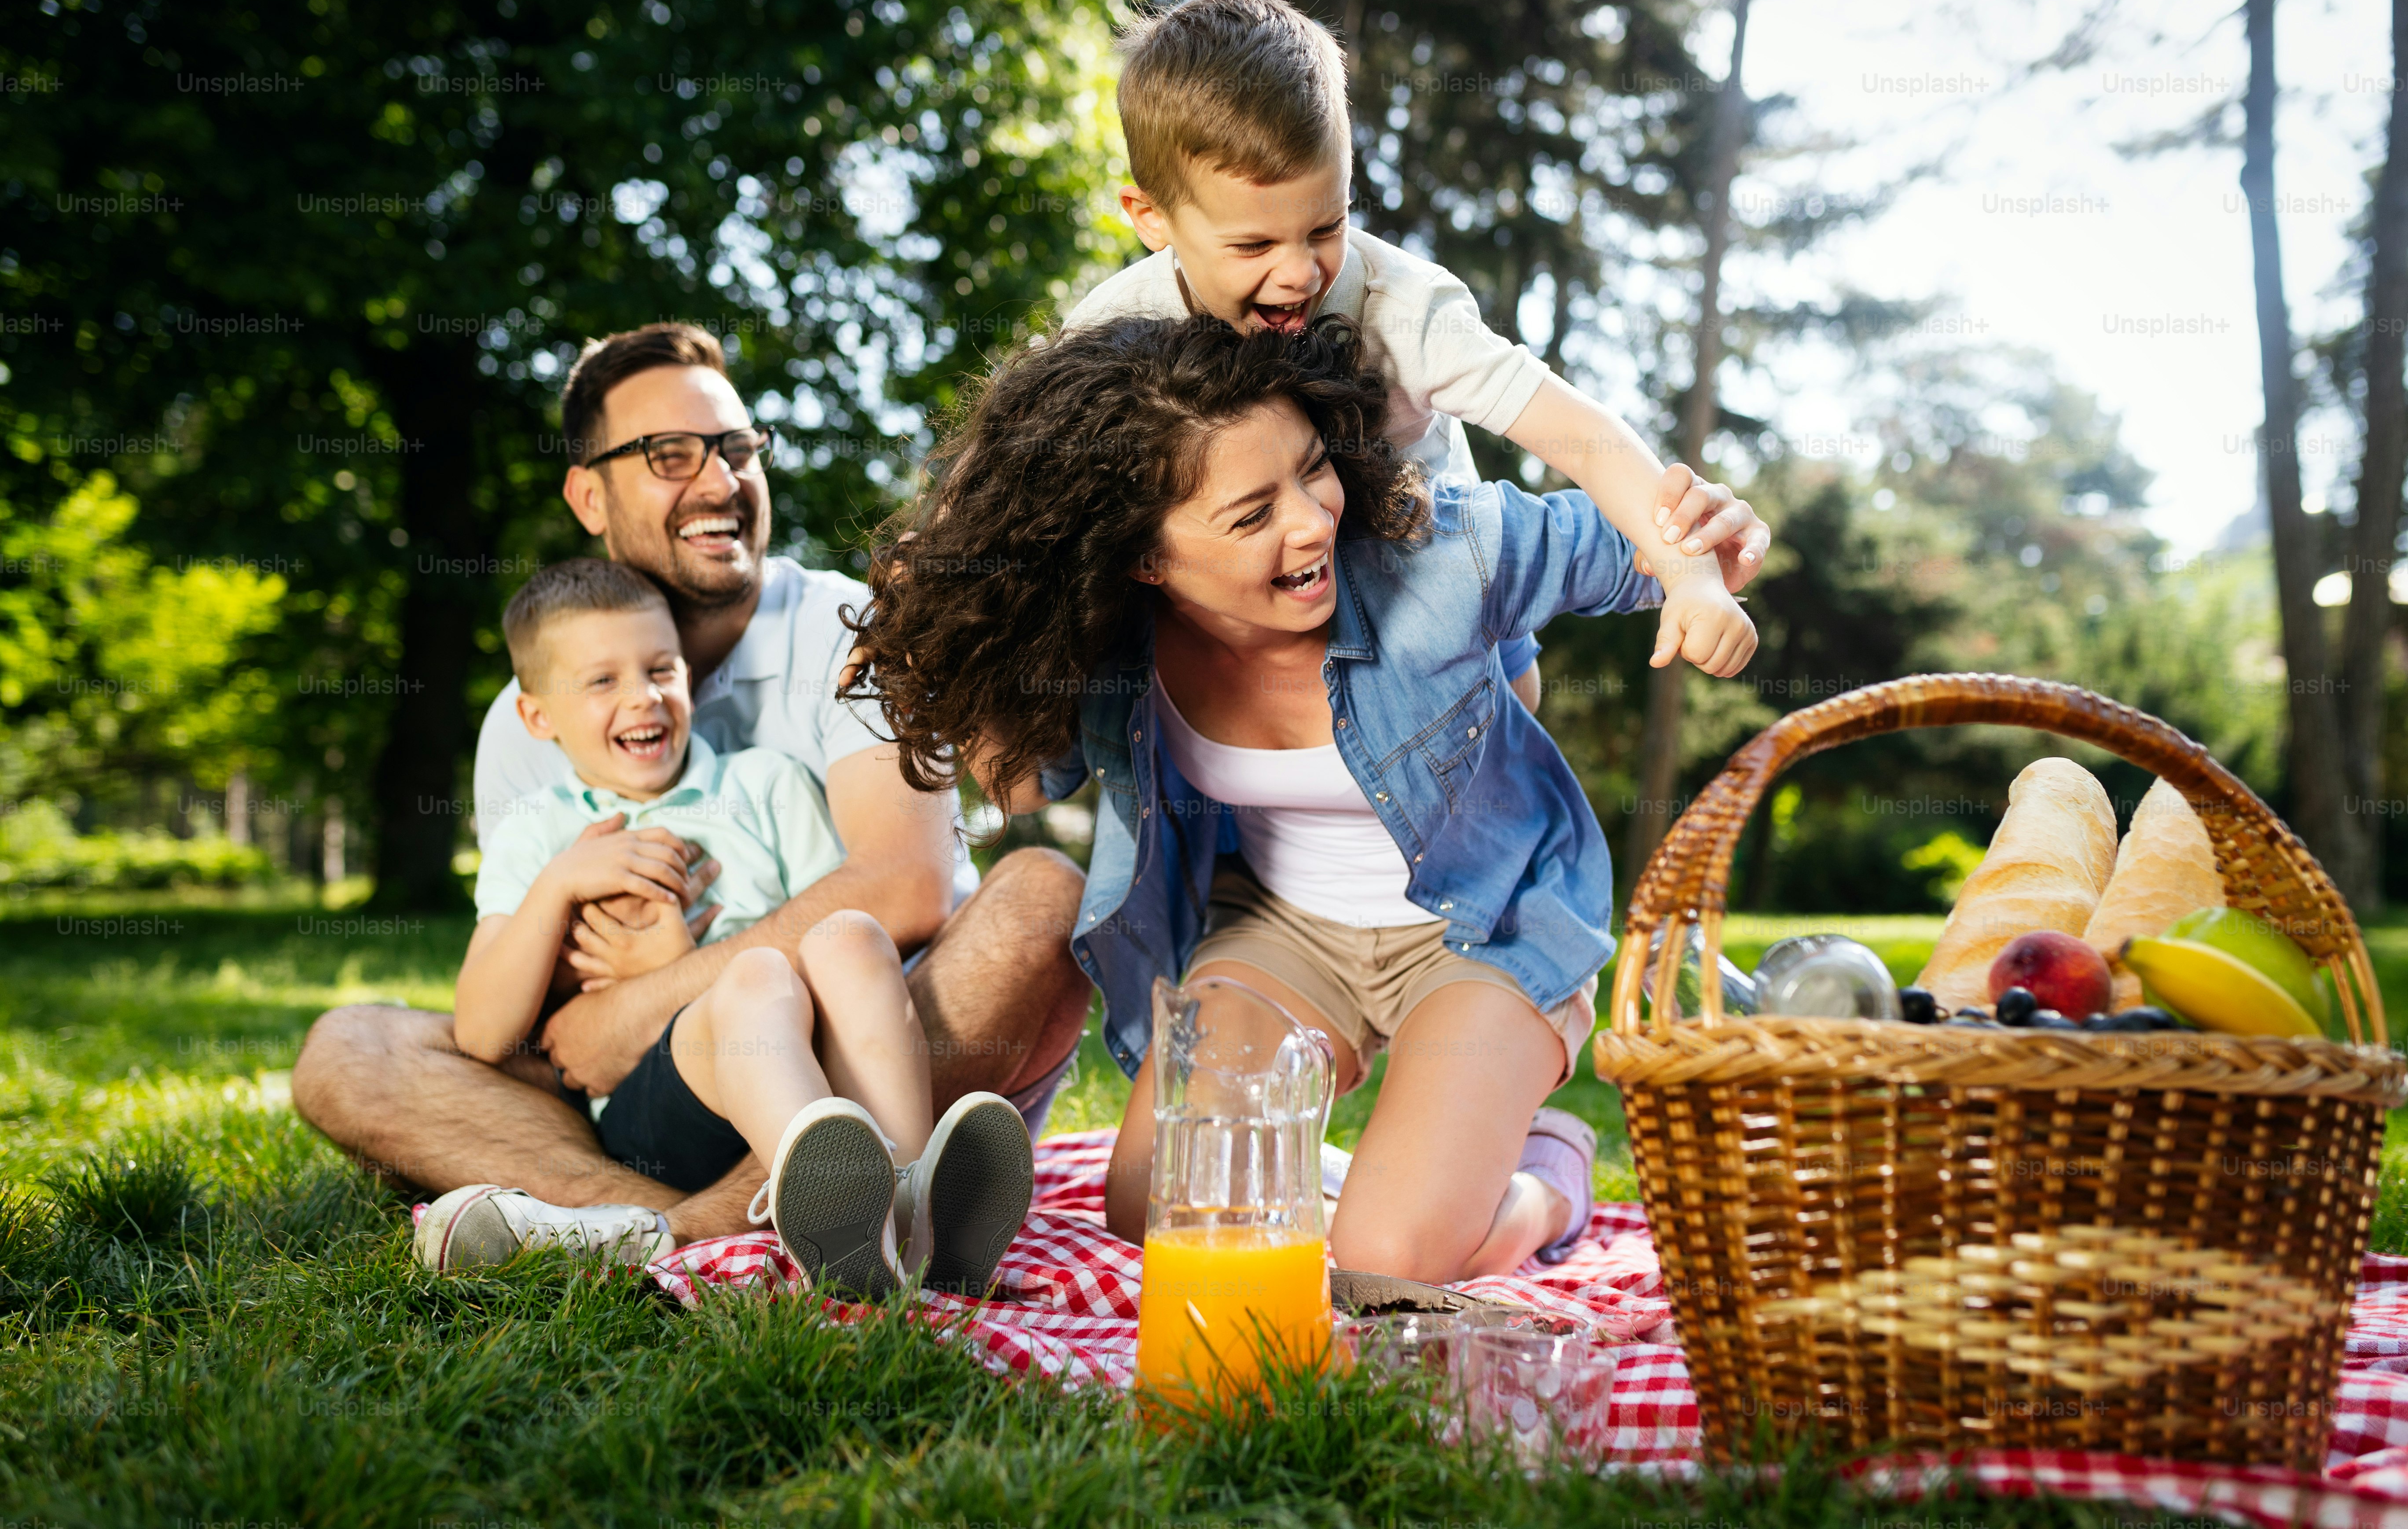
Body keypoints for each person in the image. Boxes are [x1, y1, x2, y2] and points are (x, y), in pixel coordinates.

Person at [848, 316, 1758, 1285]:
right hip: (1283, 930)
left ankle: (1545, 1179)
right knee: (1158, 1207)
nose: (1313, 521)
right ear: (1144, 558)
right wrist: (938, 657)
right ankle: (1387, 1177)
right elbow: (1024, 785)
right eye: (1251, 515)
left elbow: (1642, 537)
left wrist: (1709, 556)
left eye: (1312, 469)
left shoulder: (1436, 557)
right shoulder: (1120, 653)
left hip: (1488, 923)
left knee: (1386, 1266)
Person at [292, 323, 1093, 1263]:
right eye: (670, 456)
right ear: (589, 494)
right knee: (351, 1049)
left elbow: (907, 890)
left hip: (878, 1046)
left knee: (1042, 893)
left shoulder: (854, 638)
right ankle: (675, 1219)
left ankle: (685, 1228)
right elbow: (523, 1016)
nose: (719, 483)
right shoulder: (525, 717)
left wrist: (646, 998)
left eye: (737, 449)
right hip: (639, 1097)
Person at [1065, 0, 1773, 714]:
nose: (1300, 273)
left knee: (1516, 697)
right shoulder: (1115, 328)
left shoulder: (1404, 308)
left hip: (1427, 546)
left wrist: (1690, 575)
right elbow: (1027, 480)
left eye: (1326, 225)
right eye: (1253, 245)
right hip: (1271, 574)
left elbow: (1582, 436)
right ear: (1151, 218)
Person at [413, 558, 1031, 1294]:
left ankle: (904, 1203)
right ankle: (830, 1209)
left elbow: (830, 940)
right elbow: (483, 1031)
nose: (644, 698)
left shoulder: (765, 783)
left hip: (797, 1057)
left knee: (852, 937)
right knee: (757, 972)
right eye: (603, 681)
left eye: (661, 669)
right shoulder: (542, 835)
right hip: (661, 1115)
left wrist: (677, 961)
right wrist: (562, 885)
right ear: (538, 715)